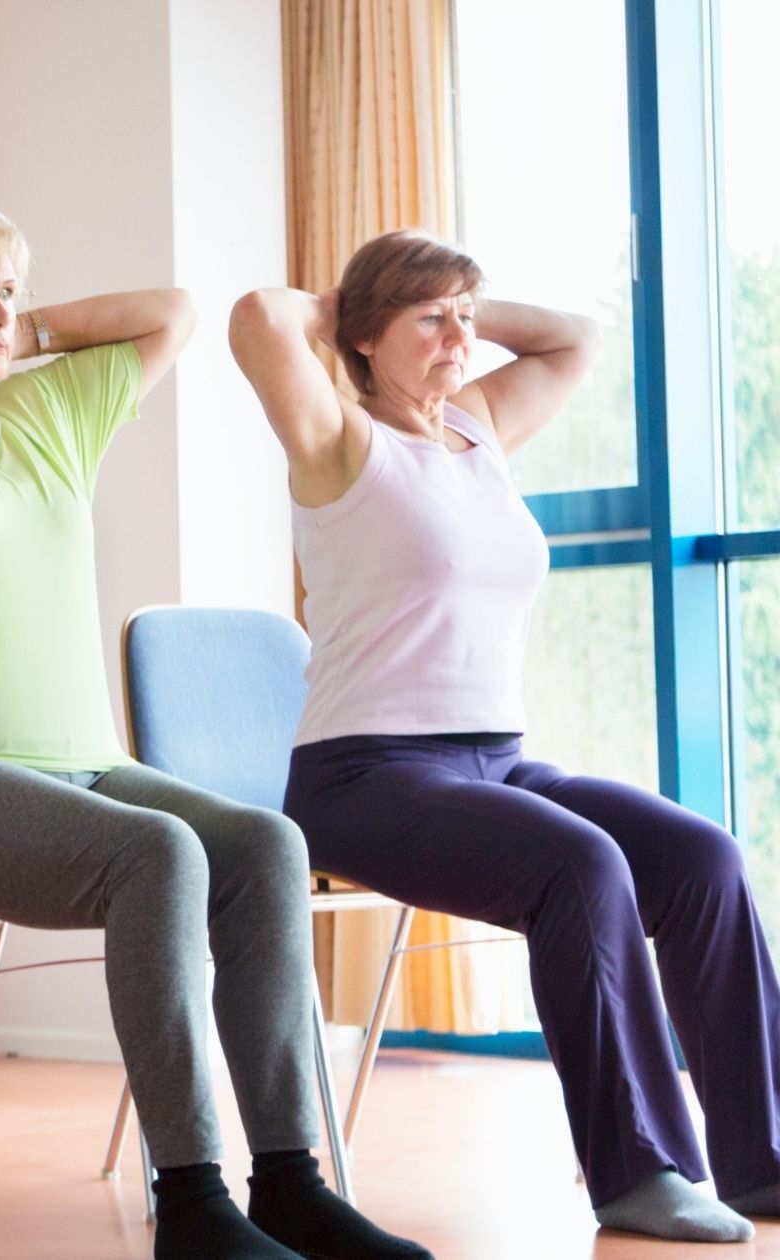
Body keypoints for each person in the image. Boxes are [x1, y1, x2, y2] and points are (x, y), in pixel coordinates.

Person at [0, 194, 431, 1260]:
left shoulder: (53, 412)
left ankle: (285, 1179)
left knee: (264, 845)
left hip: (87, 765)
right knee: (156, 855)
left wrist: (11, 326)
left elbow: (172, 312)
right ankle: (190, 1203)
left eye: (8, 289)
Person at [233, 228, 780, 1245]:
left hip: (494, 756)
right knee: (577, 866)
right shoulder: (338, 440)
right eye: (427, 321)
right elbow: (259, 319)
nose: (457, 339)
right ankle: (637, 1170)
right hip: (362, 775)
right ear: (361, 338)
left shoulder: (477, 429)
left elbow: (574, 338)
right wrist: (349, 303)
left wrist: (451, 306)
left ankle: (762, 1158)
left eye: (464, 319)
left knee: (702, 860)